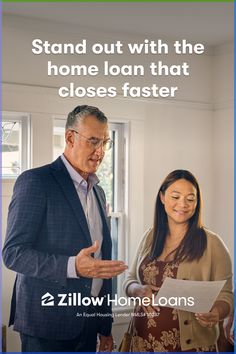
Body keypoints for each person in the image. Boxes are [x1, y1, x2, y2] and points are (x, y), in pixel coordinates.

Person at [3, 105, 128, 352]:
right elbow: (13, 254)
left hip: (89, 325)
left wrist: (104, 324)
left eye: (104, 142)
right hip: (46, 327)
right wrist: (72, 266)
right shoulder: (36, 182)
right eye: (93, 141)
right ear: (70, 137)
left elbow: (100, 264)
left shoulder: (99, 192)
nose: (100, 151)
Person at [123, 169, 233, 352]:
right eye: (175, 196)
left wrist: (216, 313)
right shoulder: (150, 237)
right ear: (162, 197)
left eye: (190, 199)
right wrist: (137, 290)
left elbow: (227, 296)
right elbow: (129, 279)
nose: (183, 204)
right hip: (140, 343)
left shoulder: (212, 243)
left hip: (188, 348)